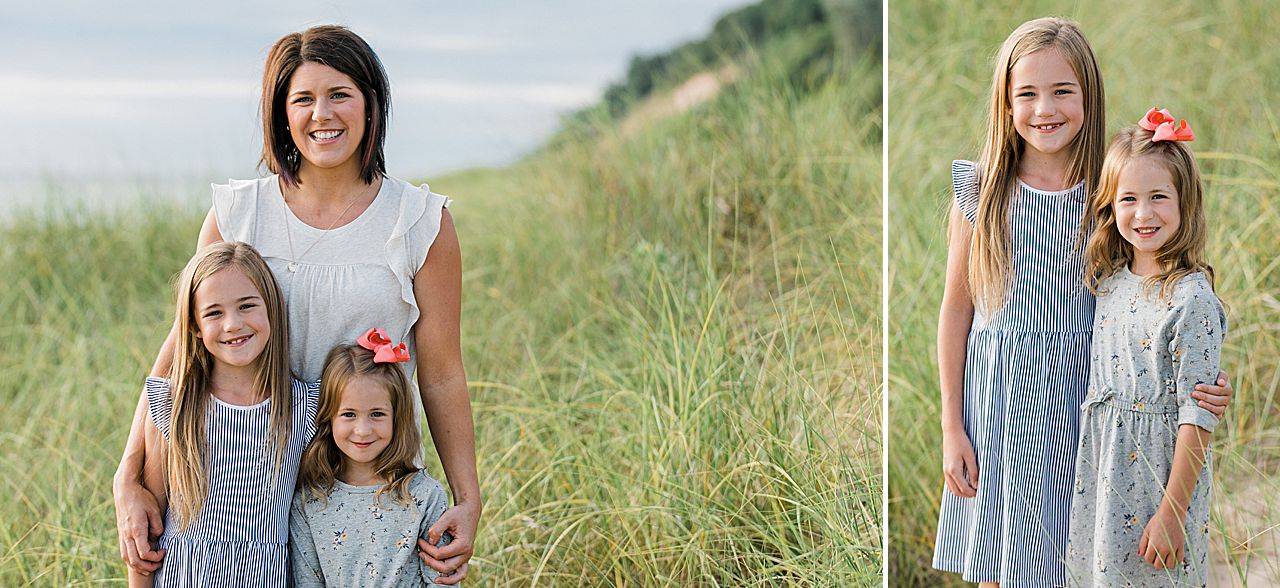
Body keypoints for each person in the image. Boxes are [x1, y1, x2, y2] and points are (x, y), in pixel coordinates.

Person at [114, 25, 480, 583]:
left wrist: (466, 496)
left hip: (365, 481)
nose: (321, 114)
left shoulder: (421, 222)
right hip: (243, 487)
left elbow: (443, 374)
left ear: (372, 105)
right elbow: (179, 355)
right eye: (302, 99)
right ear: (280, 113)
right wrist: (128, 479)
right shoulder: (239, 213)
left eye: (340, 95)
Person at [931, 18, 1233, 587]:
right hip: (998, 410)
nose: (1045, 108)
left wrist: (1198, 376)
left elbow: (1151, 293)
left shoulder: (1111, 187)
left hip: (1085, 406)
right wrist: (953, 426)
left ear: (1088, 96)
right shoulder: (982, 194)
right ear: (1006, 102)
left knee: (1079, 562)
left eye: (1062, 91)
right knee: (1006, 564)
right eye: (1027, 93)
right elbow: (955, 311)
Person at [1066, 111, 1222, 586]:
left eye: (1158, 197)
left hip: (1160, 478)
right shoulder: (1109, 283)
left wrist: (1172, 514)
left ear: (1184, 201)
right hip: (1104, 471)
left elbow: (1197, 415)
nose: (1143, 213)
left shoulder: (1191, 298)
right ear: (1111, 208)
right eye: (1128, 199)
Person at [130, 241, 319, 587]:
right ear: (195, 327)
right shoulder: (173, 406)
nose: (233, 324)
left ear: (272, 310)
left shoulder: (303, 407)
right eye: (214, 313)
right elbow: (145, 535)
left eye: (246, 306)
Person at [290, 330, 452, 586]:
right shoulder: (310, 502)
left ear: (397, 418)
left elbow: (441, 581)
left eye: (377, 414)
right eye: (348, 415)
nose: (363, 430)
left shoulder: (424, 496)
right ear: (328, 418)